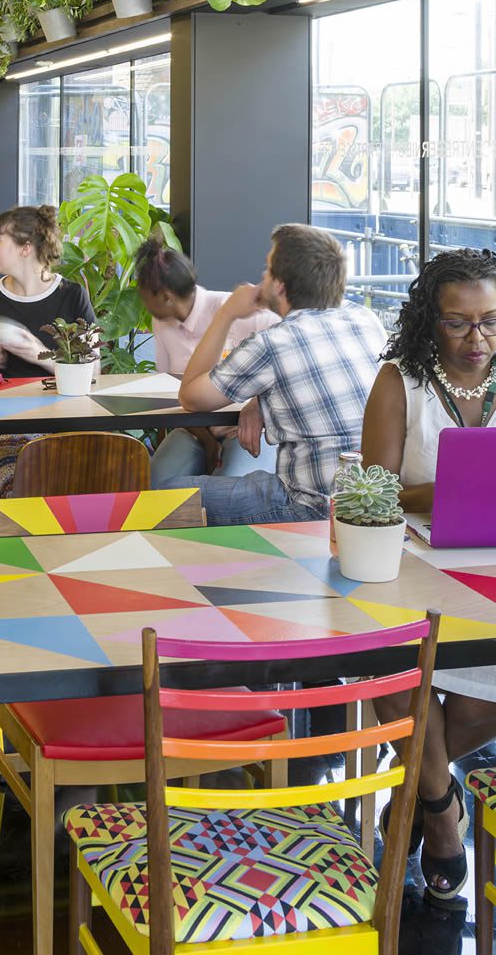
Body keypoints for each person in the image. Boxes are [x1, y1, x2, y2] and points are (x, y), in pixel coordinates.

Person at [362, 247, 496, 905]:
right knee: (393, 669)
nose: (478, 339)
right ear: (428, 321)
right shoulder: (399, 381)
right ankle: (442, 813)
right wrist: (448, 491)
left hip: (490, 575)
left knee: (481, 703)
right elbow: (373, 492)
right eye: (458, 322)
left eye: (490, 321)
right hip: (408, 566)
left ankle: (411, 788)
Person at [164, 223, 387, 525]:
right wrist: (260, 400)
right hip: (372, 499)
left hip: (307, 505)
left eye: (268, 270)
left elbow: (191, 397)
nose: (261, 278)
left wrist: (226, 314)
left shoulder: (272, 343)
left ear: (280, 286)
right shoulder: (363, 317)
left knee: (167, 494)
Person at [0, 205, 95, 533]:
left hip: (61, 422)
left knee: (97, 456)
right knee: (6, 456)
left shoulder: (72, 297)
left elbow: (94, 370)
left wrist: (37, 353)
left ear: (26, 247)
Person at [134, 237, 279, 484]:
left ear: (167, 296)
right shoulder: (162, 324)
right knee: (156, 483)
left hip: (243, 431)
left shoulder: (233, 309)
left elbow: (289, 354)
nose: (142, 303)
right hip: (195, 430)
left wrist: (257, 405)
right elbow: (172, 393)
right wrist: (209, 443)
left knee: (231, 490)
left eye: (144, 295)